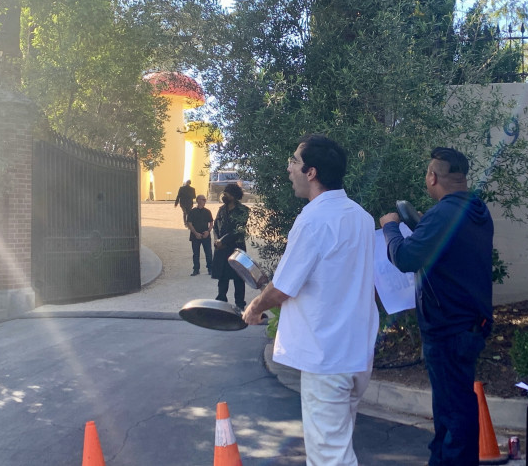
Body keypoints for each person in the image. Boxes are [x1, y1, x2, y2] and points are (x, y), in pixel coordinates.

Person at [243, 134, 378, 465]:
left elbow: (282, 288)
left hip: (327, 357)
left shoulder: (312, 220)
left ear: (312, 172)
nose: (289, 169)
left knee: (329, 456)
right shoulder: (361, 217)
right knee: (338, 444)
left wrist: (255, 307)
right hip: (357, 352)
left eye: (293, 161)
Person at [379, 147, 494, 466]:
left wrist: (390, 226)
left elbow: (405, 258)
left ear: (433, 177)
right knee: (453, 411)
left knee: (454, 417)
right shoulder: (476, 210)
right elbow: (444, 249)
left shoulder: (443, 214)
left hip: (448, 332)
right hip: (467, 327)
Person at [211, 183, 249, 309]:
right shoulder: (221, 209)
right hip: (221, 249)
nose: (224, 196)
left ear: (233, 196)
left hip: (236, 248)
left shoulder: (243, 210)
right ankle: (221, 301)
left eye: (226, 194)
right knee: (222, 277)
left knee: (239, 277)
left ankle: (240, 304)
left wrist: (224, 241)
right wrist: (217, 240)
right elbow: (216, 226)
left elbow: (239, 230)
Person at [186, 194, 213, 276]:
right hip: (195, 235)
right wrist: (195, 233)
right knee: (196, 253)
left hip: (205, 235)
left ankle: (210, 269)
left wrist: (208, 231)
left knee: (208, 253)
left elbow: (211, 223)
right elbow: (189, 223)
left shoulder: (207, 211)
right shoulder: (192, 211)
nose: (204, 201)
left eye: (205, 200)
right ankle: (196, 269)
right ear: (198, 200)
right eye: (203, 199)